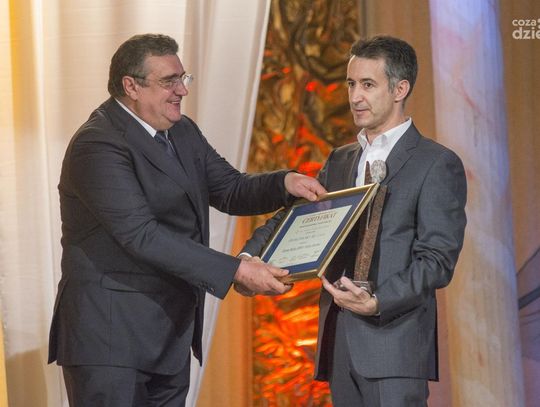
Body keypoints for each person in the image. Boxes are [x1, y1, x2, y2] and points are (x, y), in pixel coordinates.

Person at [47, 33, 326, 406]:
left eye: (182, 78)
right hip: (111, 342)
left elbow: (230, 189)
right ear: (131, 86)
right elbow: (142, 235)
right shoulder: (97, 144)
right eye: (169, 81)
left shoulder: (182, 131)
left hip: (169, 336)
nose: (182, 90)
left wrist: (284, 183)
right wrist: (237, 271)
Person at [241, 35, 467, 406]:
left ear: (400, 89)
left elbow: (437, 260)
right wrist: (248, 259)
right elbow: (297, 218)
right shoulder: (340, 159)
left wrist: (378, 301)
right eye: (350, 84)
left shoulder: (435, 163)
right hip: (340, 343)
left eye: (367, 85)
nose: (355, 96)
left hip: (395, 346)